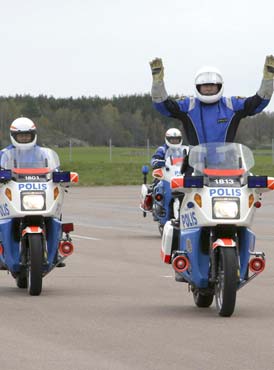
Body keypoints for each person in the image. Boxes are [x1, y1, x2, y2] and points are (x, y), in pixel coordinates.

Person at [149, 56, 274, 145]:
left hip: (227, 165)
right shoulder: (188, 105)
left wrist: (268, 79)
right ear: (198, 87)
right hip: (195, 167)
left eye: (212, 85)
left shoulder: (232, 105)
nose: (208, 88)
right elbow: (163, 106)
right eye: (205, 85)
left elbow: (257, 103)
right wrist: (157, 83)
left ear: (219, 86)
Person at [0, 117, 65, 267]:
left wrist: (62, 175)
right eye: (21, 136)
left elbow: (55, 169)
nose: (24, 138)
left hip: (38, 192)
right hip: (14, 194)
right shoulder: (4, 154)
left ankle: (54, 250)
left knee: (56, 213)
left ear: (33, 135)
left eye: (27, 135)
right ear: (14, 136)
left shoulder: (43, 154)